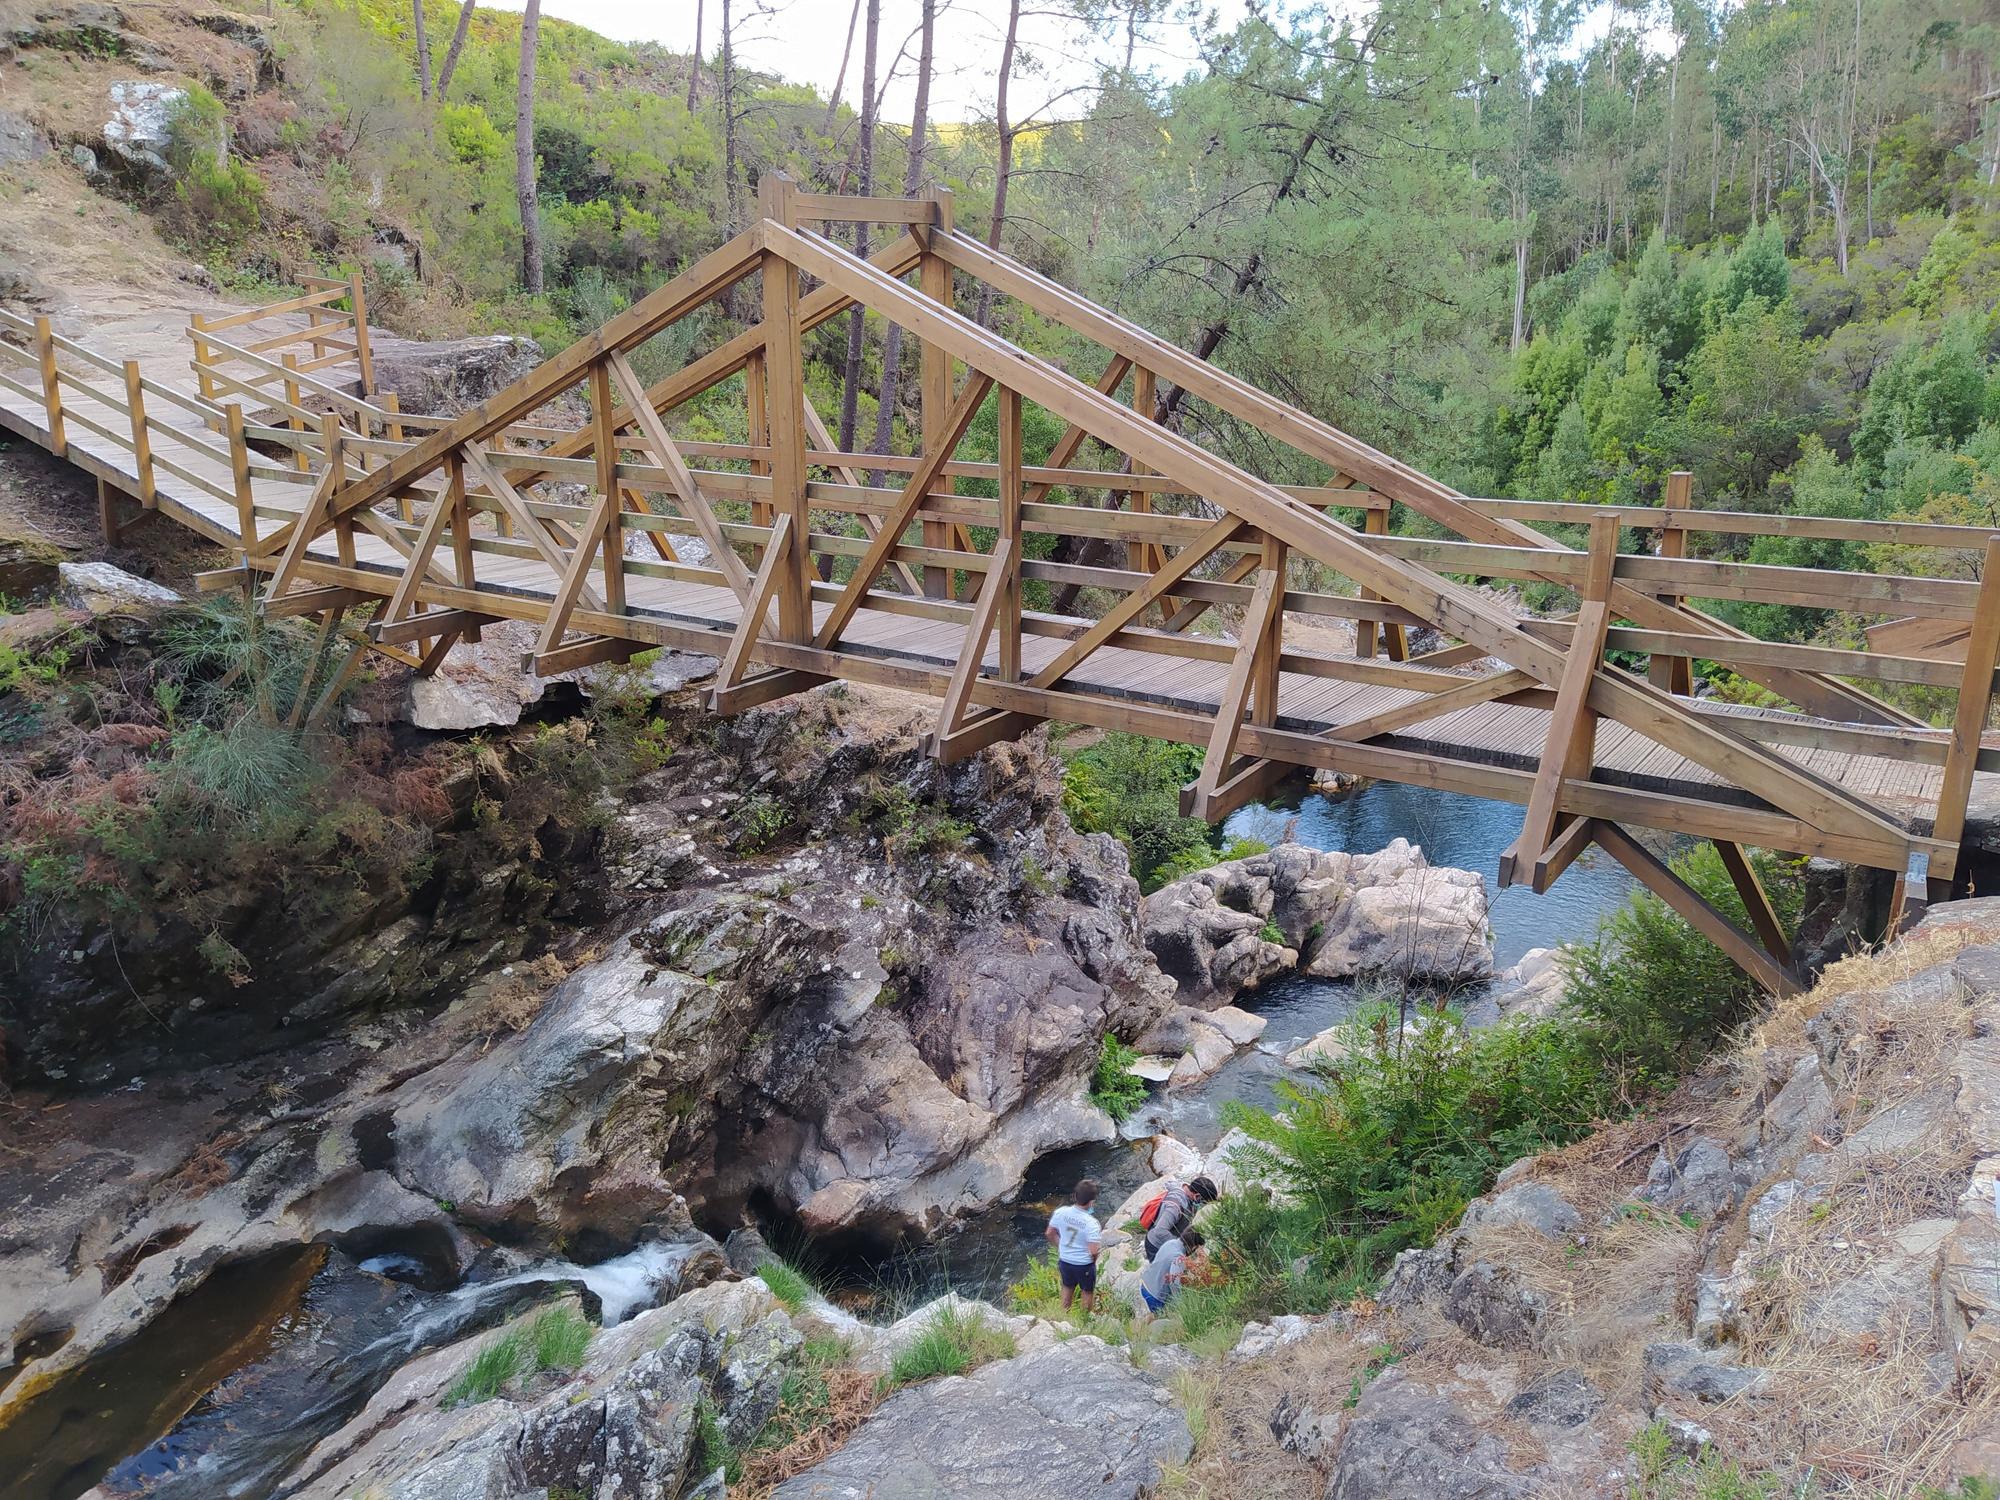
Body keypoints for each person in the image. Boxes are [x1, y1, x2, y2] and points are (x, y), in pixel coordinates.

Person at [1045, 1178, 1103, 1314]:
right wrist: (1093, 1261)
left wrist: (1061, 1246)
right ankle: (1084, 1319)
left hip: (1065, 1260)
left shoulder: (1061, 1213)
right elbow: (1093, 1251)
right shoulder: (1092, 1223)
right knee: (1087, 1291)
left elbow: (1049, 1233)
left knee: (1067, 1286)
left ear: (1075, 1196)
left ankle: (1064, 1315)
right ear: (1092, 1202)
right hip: (1084, 1264)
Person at [1143, 1175, 1218, 1262]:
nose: (1203, 1206)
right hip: (1157, 1245)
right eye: (1204, 1203)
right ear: (1197, 1196)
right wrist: (1181, 1245)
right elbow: (1160, 1231)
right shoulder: (1175, 1207)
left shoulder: (1188, 1195)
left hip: (1171, 1240)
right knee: (1164, 1272)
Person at [1139, 1228, 1203, 1315]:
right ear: (1194, 1247)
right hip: (1155, 1297)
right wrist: (1181, 1307)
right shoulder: (1178, 1257)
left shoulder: (1170, 1243)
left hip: (1145, 1285)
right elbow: (1174, 1284)